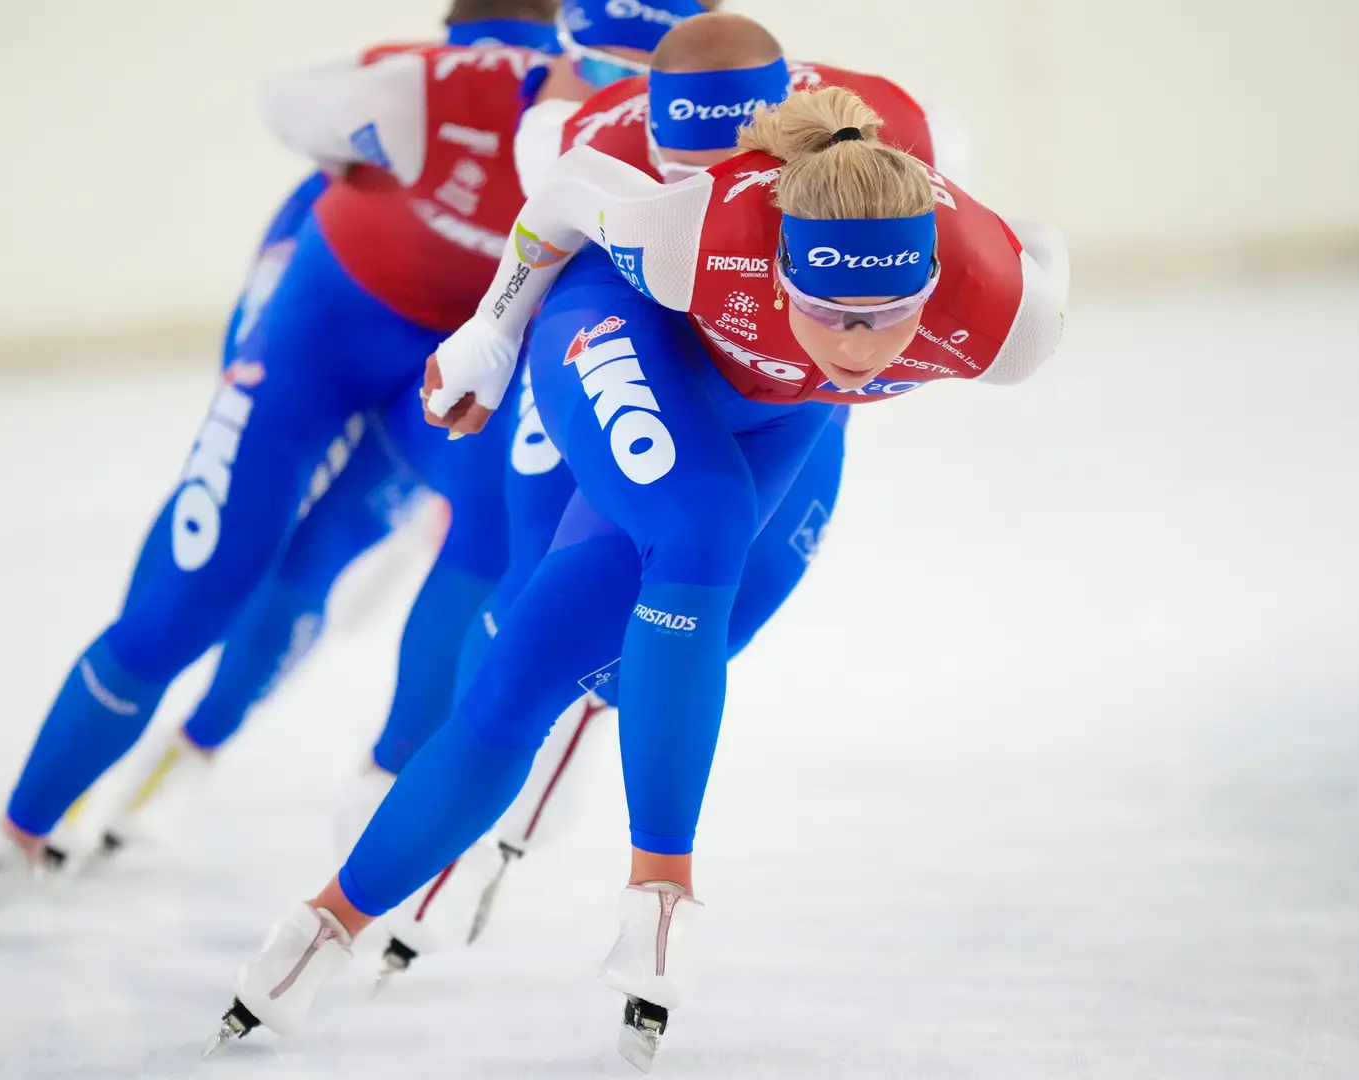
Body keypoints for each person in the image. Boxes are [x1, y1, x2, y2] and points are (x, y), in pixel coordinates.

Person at [206, 24, 1069, 1075]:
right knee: (695, 526)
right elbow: (564, 198)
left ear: (936, 280)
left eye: (887, 316)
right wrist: (491, 334)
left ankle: (321, 927)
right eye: (827, 311)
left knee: (557, 666)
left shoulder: (1005, 320)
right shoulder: (698, 226)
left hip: (778, 412)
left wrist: (984, 243)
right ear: (780, 268)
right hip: (625, 323)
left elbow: (1032, 247)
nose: (857, 344)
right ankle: (661, 890)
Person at [0, 0, 563, 941]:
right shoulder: (509, 99)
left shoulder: (431, 89)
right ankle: (315, 784)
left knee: (233, 579)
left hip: (375, 338)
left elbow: (285, 117)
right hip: (378, 339)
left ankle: (37, 824)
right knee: (323, 564)